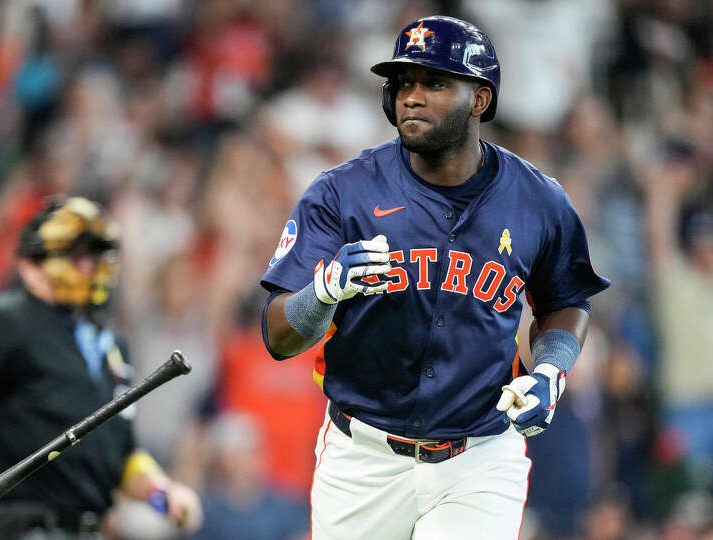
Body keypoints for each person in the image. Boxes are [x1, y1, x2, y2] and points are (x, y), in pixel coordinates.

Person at [260, 16, 610, 540]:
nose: (412, 97)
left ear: (480, 100)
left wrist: (551, 373)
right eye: (403, 83)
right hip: (362, 458)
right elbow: (277, 336)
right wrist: (324, 292)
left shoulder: (539, 200)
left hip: (480, 457)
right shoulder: (342, 193)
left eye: (435, 83)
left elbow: (566, 300)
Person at [0, 196, 202, 539]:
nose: (94, 267)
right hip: (20, 527)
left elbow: (120, 455)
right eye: (82, 256)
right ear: (42, 258)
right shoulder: (6, 321)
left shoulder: (112, 345)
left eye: (97, 256)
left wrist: (160, 492)